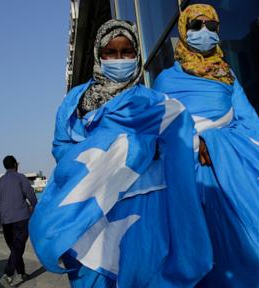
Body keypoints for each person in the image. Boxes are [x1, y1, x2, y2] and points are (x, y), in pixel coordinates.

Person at [29, 19, 212, 288]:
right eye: (110, 53)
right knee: (94, 277)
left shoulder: (154, 102)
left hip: (144, 206)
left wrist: (194, 140)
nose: (119, 59)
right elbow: (61, 148)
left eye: (126, 52)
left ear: (137, 54)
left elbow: (180, 134)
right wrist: (109, 154)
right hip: (92, 210)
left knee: (143, 270)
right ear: (98, 55)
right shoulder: (75, 102)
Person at [153, 4, 259, 288]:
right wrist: (194, 142)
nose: (204, 32)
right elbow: (160, 134)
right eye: (196, 26)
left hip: (236, 179)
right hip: (193, 185)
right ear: (183, 30)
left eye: (211, 26)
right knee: (206, 260)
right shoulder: (165, 81)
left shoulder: (227, 76)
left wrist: (215, 142)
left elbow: (252, 125)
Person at [0, 155, 37, 288]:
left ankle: (22, 273)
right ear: (15, 165)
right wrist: (36, 207)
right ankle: (8, 275)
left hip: (6, 221)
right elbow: (31, 196)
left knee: (15, 248)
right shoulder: (20, 178)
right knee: (17, 248)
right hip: (21, 219)